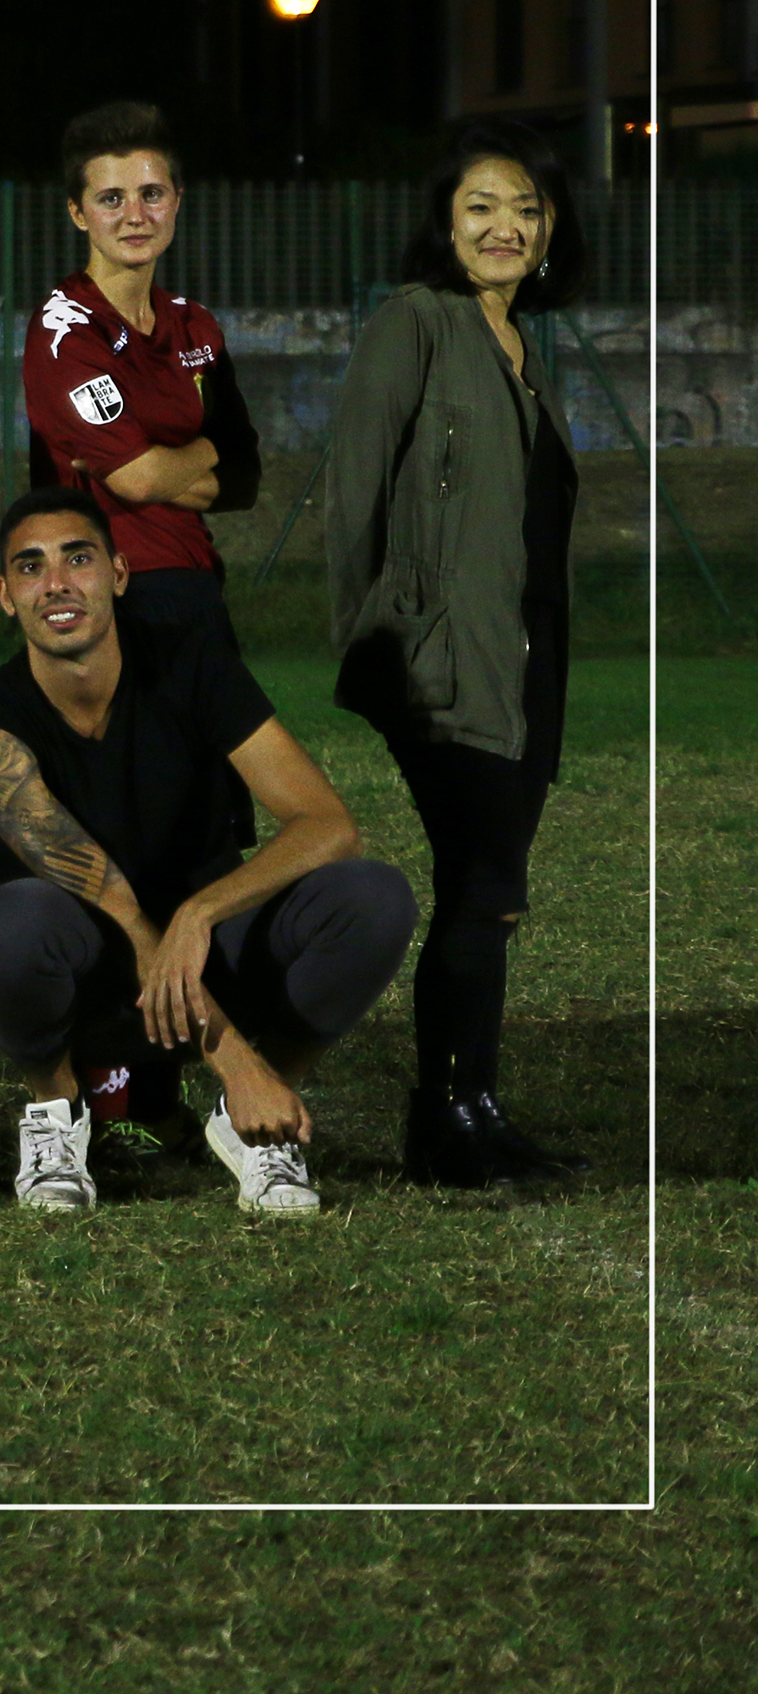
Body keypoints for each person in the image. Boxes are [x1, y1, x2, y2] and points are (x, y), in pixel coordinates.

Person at [0, 491, 417, 1214]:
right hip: (93, 978)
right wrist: (228, 1050)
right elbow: (121, 914)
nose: (58, 584)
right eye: (31, 567)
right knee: (5, 924)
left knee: (372, 898)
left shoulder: (191, 662)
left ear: (119, 573)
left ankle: (260, 1115)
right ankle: (57, 1112)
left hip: (214, 959)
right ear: (6, 596)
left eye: (79, 558)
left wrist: (201, 913)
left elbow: (326, 822)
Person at [329, 120, 590, 1189]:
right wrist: (378, 637)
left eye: (524, 210)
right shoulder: (417, 322)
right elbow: (353, 489)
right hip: (433, 660)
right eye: (481, 205)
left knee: (491, 894)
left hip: (521, 665)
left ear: (549, 234)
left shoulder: (525, 352)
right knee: (478, 877)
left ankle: (469, 1104)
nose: (503, 226)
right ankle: (442, 1121)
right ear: (443, 221)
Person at [23, 103, 258, 653]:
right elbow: (139, 480)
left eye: (151, 194)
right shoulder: (66, 329)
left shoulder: (195, 325)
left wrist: (153, 460)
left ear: (176, 201)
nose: (135, 215)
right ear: (78, 214)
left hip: (198, 579)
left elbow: (245, 477)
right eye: (111, 199)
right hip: (106, 596)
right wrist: (207, 447)